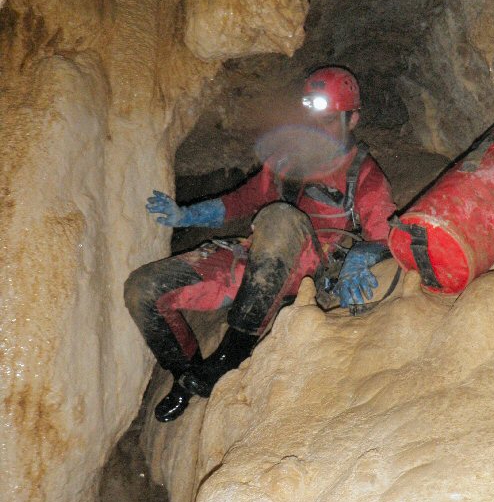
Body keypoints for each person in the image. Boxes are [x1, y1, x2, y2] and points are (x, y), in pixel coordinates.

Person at [124, 66, 396, 423]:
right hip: (258, 260)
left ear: (353, 119)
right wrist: (185, 215)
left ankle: (229, 356)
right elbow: (242, 200)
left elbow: (384, 237)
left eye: (329, 120)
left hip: (307, 272)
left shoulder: (364, 175)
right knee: (142, 289)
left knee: (279, 217)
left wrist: (363, 256)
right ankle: (187, 376)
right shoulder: (288, 162)